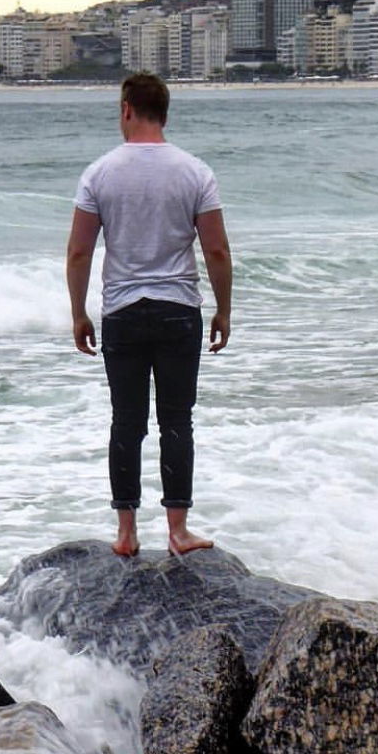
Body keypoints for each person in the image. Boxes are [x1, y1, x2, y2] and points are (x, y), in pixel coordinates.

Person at [66, 72, 232, 557]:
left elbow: (78, 253)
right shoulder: (195, 172)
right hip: (180, 309)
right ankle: (178, 531)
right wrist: (224, 309)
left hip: (122, 311)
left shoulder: (99, 173)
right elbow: (217, 250)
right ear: (164, 112)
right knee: (177, 420)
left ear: (126, 110)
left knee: (127, 421)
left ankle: (126, 532)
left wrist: (79, 312)